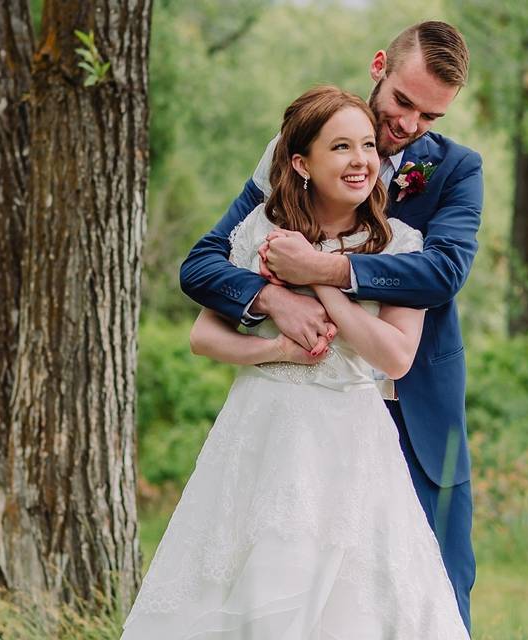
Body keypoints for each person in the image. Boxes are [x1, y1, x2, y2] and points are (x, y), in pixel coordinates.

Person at [121, 86, 469, 638]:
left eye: (366, 148)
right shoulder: (261, 231)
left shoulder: (401, 243)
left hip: (353, 437)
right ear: (302, 163)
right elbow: (204, 336)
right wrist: (276, 348)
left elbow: (396, 358)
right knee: (258, 583)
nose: (360, 161)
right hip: (264, 425)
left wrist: (320, 280)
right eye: (341, 148)